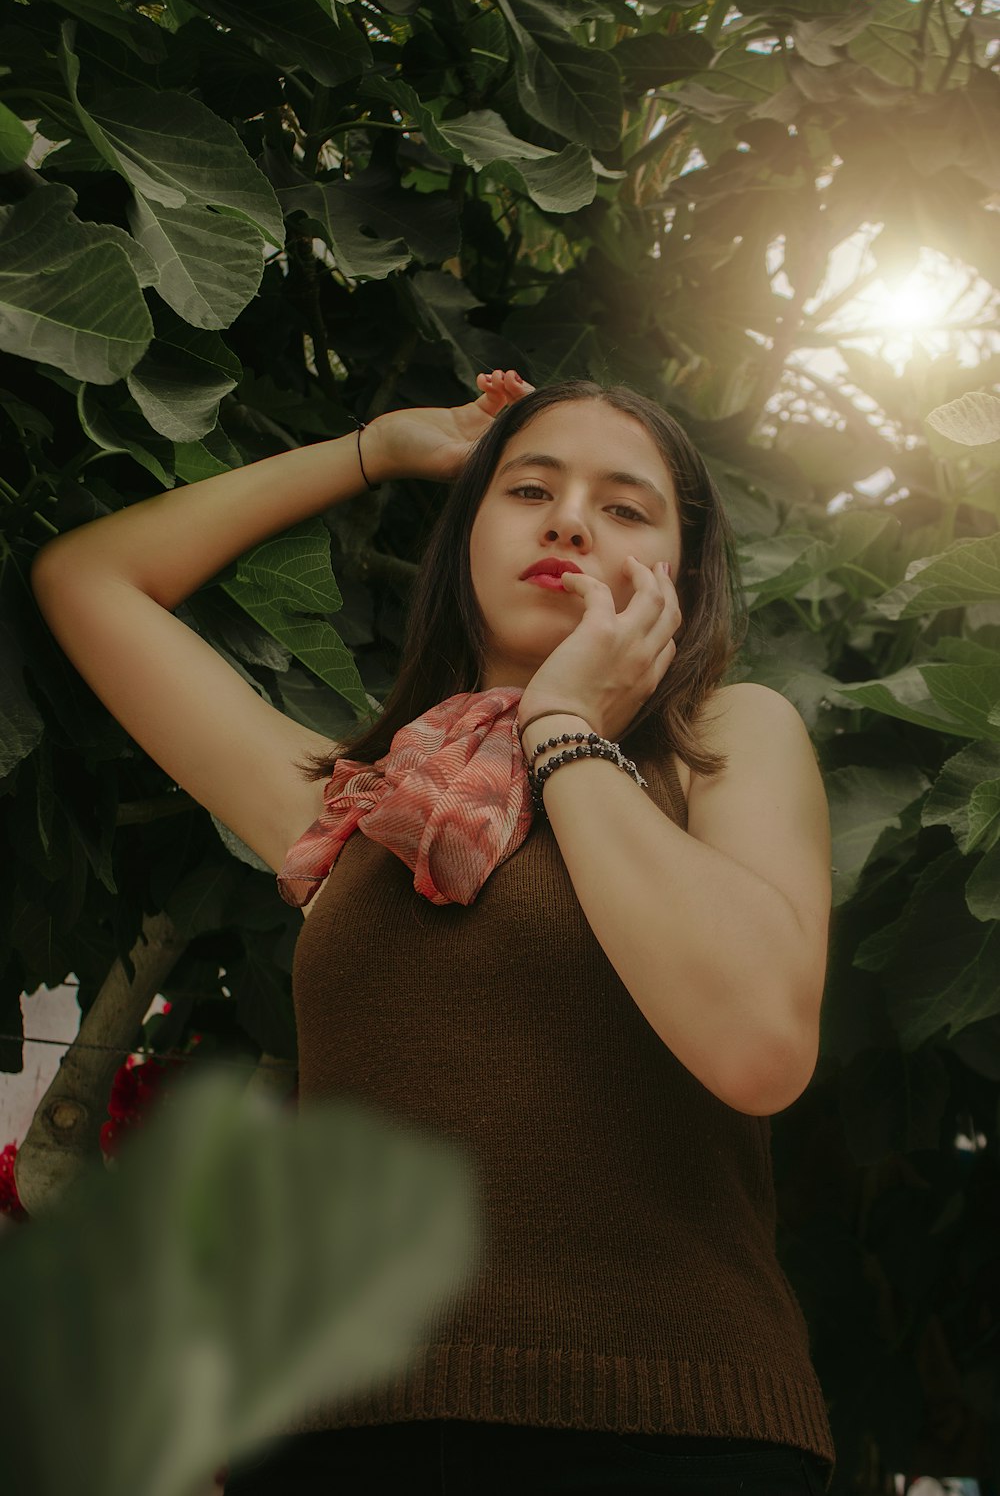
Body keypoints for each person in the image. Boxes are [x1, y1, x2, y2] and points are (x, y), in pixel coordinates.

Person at [30, 370, 835, 1494]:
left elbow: (757, 1043)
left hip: (668, 1430)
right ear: (466, 539)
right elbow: (88, 580)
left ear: (680, 574)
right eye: (528, 488)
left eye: (625, 506)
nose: (567, 520)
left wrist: (563, 725)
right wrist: (379, 449)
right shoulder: (358, 809)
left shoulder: (723, 742)